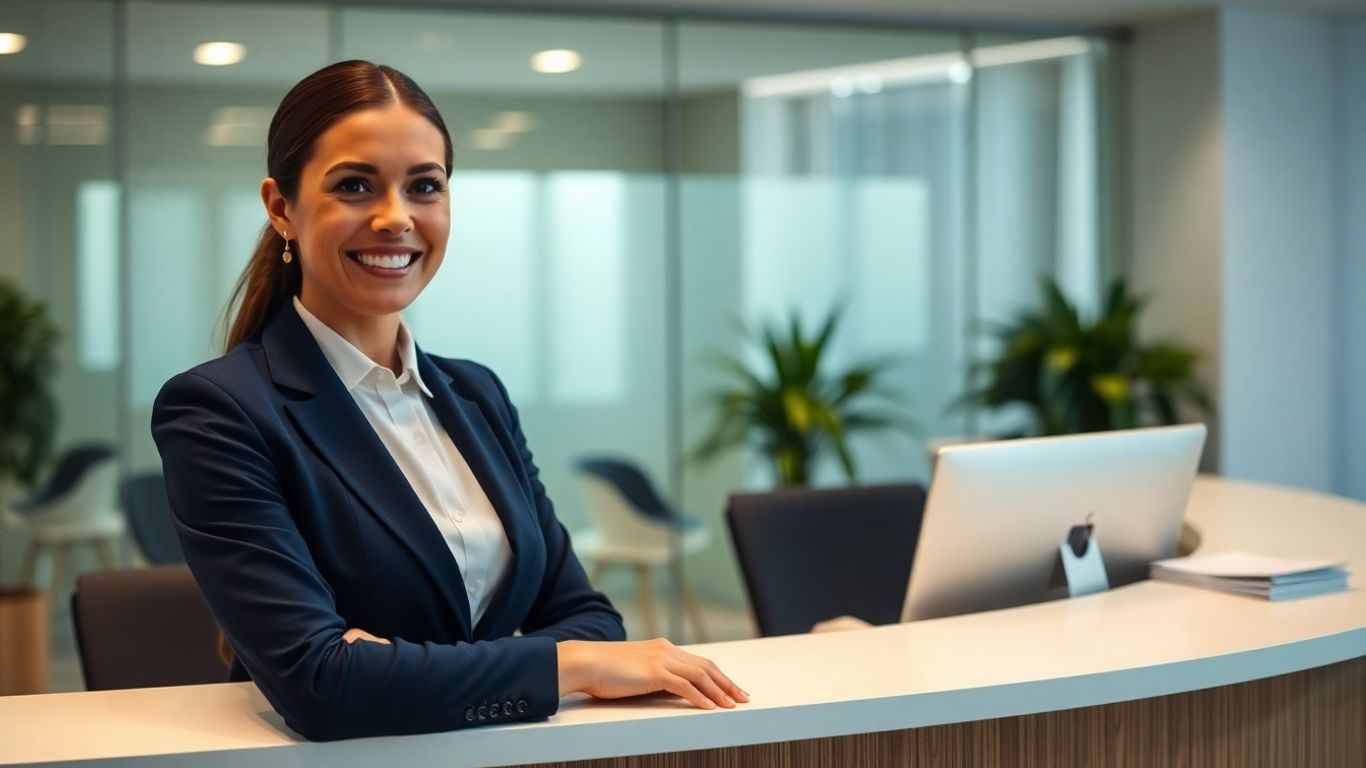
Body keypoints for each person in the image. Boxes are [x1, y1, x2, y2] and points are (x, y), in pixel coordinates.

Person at [151, 60, 746, 742]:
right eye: (354, 185)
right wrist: (566, 664)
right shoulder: (220, 411)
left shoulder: (476, 394)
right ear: (281, 207)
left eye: (425, 186)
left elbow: (588, 617)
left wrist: (397, 667)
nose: (395, 217)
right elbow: (322, 686)